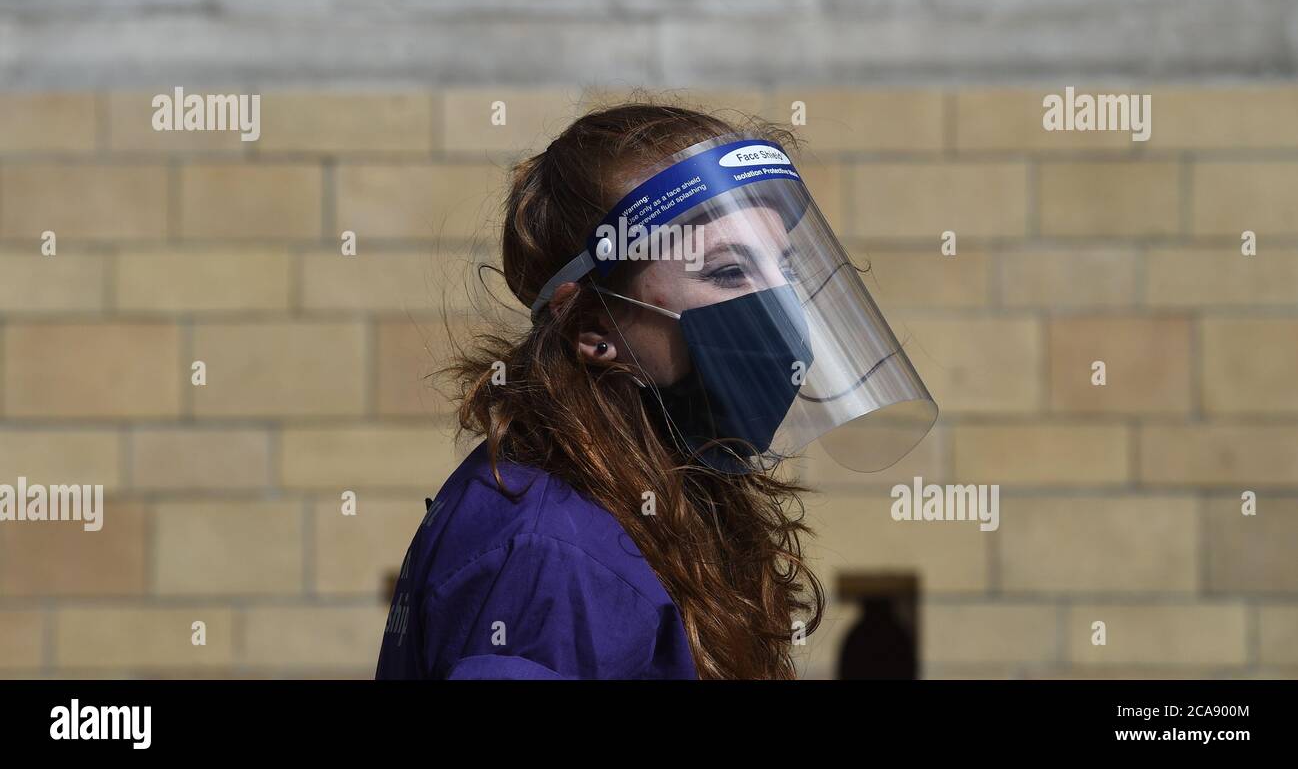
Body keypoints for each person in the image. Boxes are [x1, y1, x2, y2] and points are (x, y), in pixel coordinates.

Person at [375, 101, 936, 679]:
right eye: (727, 271)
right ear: (594, 328)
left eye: (787, 269)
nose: (783, 306)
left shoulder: (650, 496)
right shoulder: (550, 550)